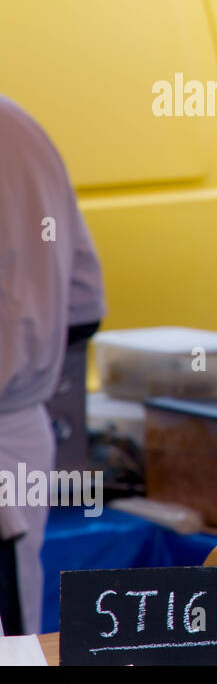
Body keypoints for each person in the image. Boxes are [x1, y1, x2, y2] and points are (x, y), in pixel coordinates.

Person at [0, 94, 105, 634]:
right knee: (13, 629)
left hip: (10, 421)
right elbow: (85, 302)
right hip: (19, 426)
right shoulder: (21, 126)